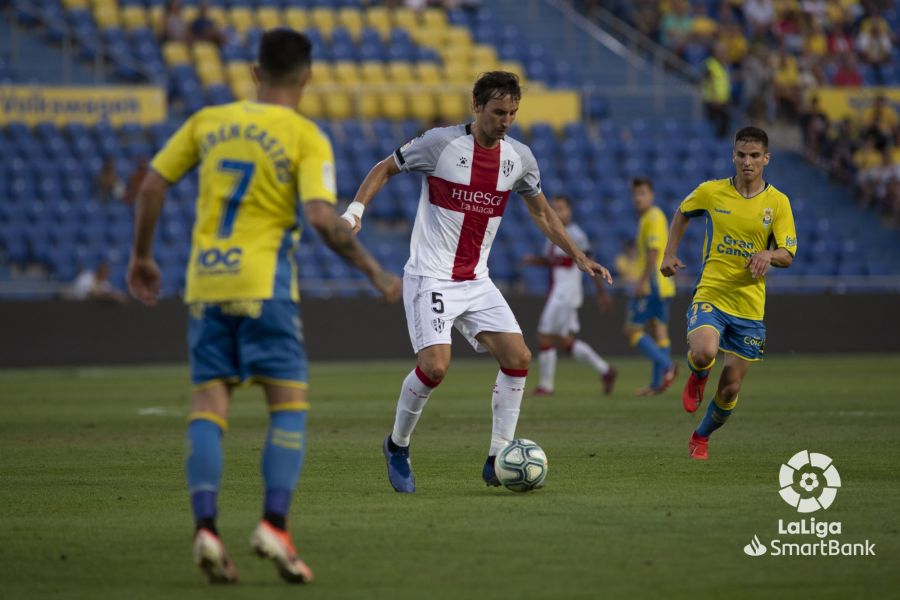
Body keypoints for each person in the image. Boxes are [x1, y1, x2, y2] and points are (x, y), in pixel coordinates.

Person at [127, 29, 401, 584]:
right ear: (306, 77)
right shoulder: (305, 136)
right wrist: (372, 269)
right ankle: (274, 524)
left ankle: (206, 528)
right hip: (265, 286)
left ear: (254, 74)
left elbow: (151, 188)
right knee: (287, 406)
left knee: (209, 405)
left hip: (205, 285)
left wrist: (142, 257)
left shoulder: (208, 121)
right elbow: (323, 219)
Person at [341, 71, 612, 493]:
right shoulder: (439, 144)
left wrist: (578, 256)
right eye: (498, 112)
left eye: (513, 113)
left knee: (519, 357)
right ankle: (397, 445)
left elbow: (541, 212)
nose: (506, 120)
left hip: (476, 281)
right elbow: (385, 168)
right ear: (477, 106)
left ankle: (497, 455)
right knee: (435, 366)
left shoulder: (519, 158)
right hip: (430, 276)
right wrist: (355, 211)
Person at [660, 126, 797, 460]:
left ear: (766, 158)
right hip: (713, 292)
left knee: (731, 386)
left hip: (749, 306)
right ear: (733, 156)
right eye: (741, 155)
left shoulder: (777, 203)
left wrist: (768, 254)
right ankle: (698, 373)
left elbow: (788, 254)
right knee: (705, 351)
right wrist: (668, 253)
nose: (747, 162)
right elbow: (682, 212)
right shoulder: (711, 192)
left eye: (754, 156)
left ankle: (701, 436)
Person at [522, 195, 616, 397]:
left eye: (561, 208)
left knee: (544, 336)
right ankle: (606, 370)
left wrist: (601, 294)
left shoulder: (575, 235)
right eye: (553, 208)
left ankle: (546, 386)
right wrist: (535, 260)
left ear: (570, 211)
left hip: (565, 295)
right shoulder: (553, 234)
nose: (557, 212)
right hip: (560, 293)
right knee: (565, 341)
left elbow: (590, 265)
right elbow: (554, 262)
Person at [624, 178, 678, 396]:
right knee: (659, 331)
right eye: (636, 193)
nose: (638, 198)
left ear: (652, 195)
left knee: (632, 330)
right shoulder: (649, 217)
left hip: (653, 284)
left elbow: (654, 252)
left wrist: (642, 281)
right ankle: (657, 385)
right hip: (664, 285)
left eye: (643, 193)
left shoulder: (653, 216)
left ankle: (667, 365)